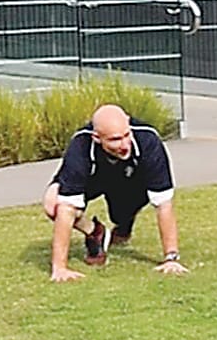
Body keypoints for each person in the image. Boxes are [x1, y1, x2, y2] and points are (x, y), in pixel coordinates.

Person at [42, 104, 188, 282]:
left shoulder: (148, 140)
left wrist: (170, 258)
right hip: (94, 178)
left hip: (131, 179)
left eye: (127, 135)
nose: (124, 145)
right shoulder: (80, 146)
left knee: (120, 215)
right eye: (115, 139)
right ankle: (95, 231)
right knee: (53, 205)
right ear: (97, 137)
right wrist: (60, 268)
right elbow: (67, 209)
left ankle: (124, 223)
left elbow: (164, 204)